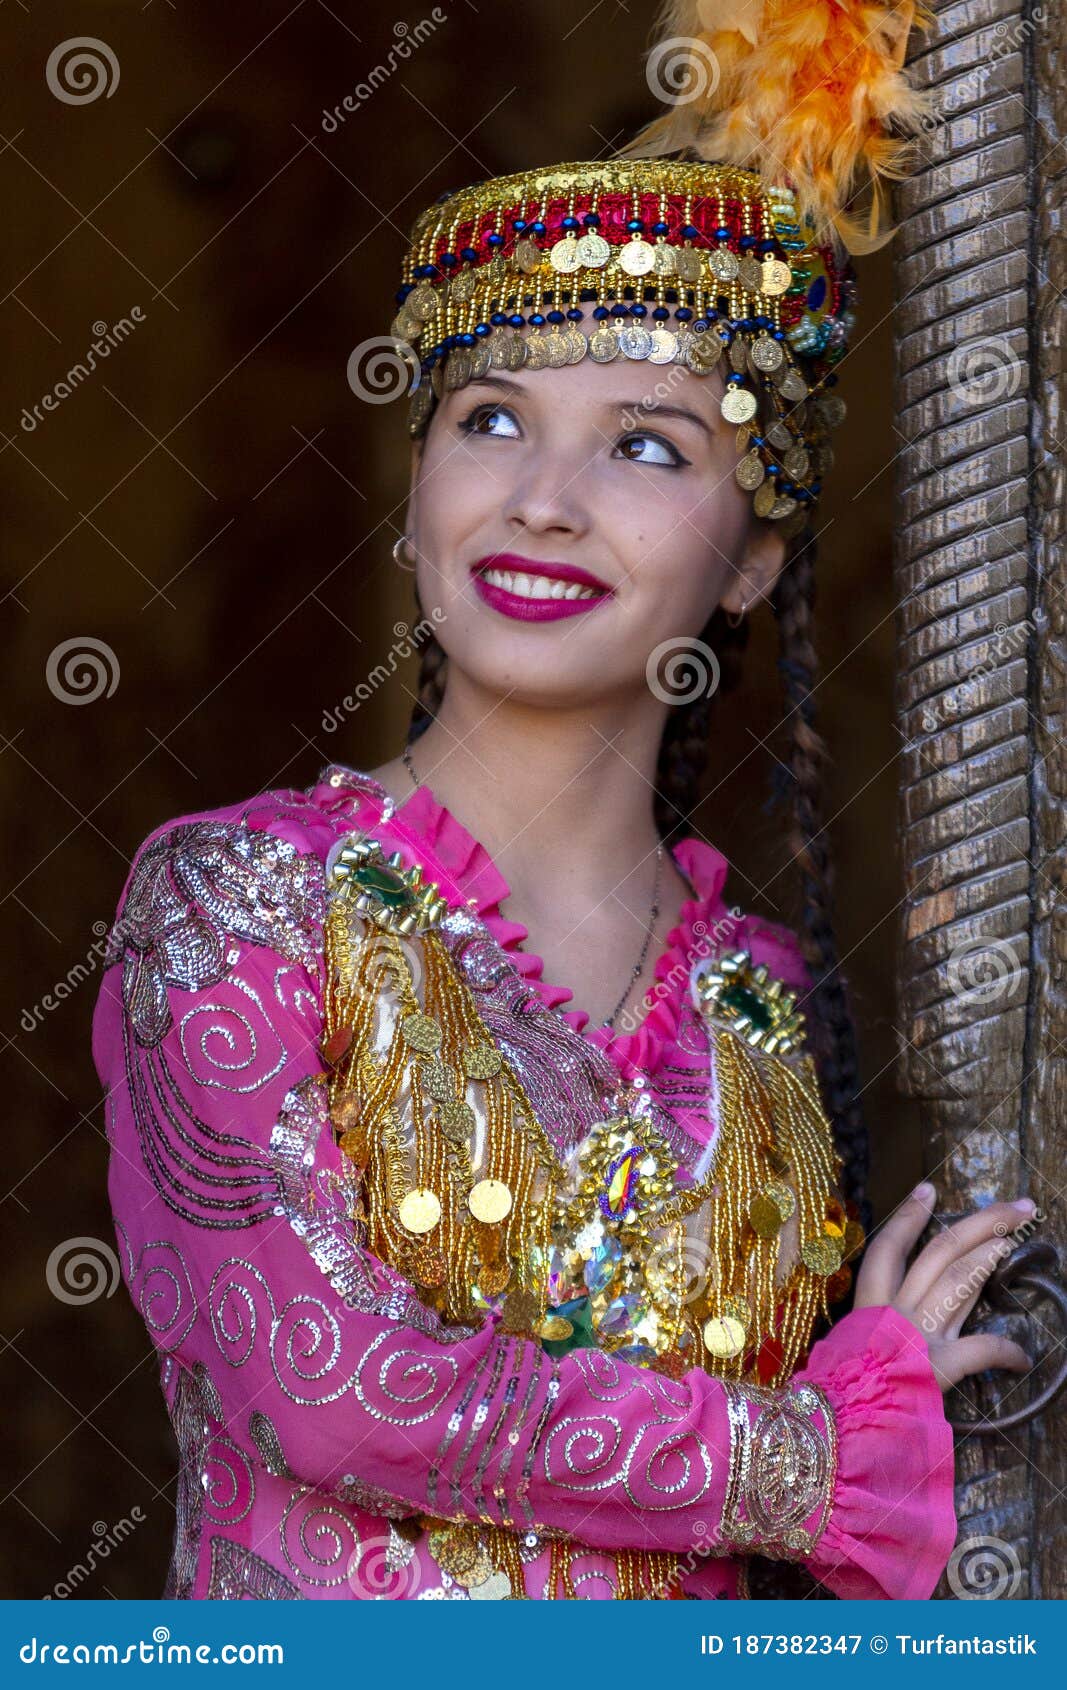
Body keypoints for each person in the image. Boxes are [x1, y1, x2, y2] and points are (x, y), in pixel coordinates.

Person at [91, 8, 1037, 1602]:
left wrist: (882, 1382)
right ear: (414, 497)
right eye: (492, 419)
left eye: (646, 446)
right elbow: (335, 1394)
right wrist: (804, 1452)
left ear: (750, 559)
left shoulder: (763, 1009)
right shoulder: (234, 904)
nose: (543, 495)